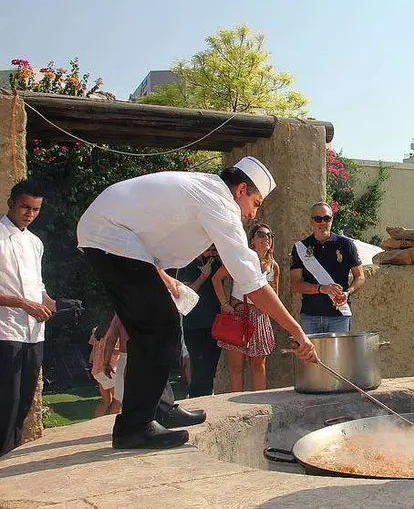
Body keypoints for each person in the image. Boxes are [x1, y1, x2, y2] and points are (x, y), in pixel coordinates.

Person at [77, 157, 316, 451]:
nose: (253, 214)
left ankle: (159, 408)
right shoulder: (220, 203)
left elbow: (149, 255)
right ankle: (134, 427)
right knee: (159, 325)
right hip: (109, 234)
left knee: (164, 321)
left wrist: (151, 291)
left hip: (114, 235)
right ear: (240, 190)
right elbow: (253, 283)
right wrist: (298, 332)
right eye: (255, 202)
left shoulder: (204, 191)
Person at [0, 179, 59, 457]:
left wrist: (48, 302)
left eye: (35, 209)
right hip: (4, 331)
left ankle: (9, 460)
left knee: (24, 402)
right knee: (6, 402)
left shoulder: (35, 242)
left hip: (34, 333)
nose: (30, 214)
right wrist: (23, 304)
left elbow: (38, 284)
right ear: (11, 203)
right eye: (25, 207)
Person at [213, 224, 278, 392]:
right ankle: (236, 408)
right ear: (252, 239)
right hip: (238, 313)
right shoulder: (240, 259)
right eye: (261, 234)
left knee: (259, 366)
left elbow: (275, 295)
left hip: (260, 316)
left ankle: (259, 405)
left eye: (269, 235)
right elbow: (216, 279)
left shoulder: (273, 266)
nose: (267, 238)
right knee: (236, 367)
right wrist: (225, 304)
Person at [290, 202, 365, 334]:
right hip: (310, 316)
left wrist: (347, 293)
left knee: (339, 355)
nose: (322, 222)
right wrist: (321, 289)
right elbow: (295, 284)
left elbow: (360, 277)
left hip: (339, 316)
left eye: (326, 218)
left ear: (332, 219)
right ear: (312, 221)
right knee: (311, 355)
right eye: (318, 219)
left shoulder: (346, 244)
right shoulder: (301, 247)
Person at [176, 246, 223, 398]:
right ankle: (198, 401)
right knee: (199, 369)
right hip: (195, 326)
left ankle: (206, 401)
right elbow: (185, 295)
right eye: (209, 249)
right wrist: (203, 276)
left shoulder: (217, 263)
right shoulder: (188, 265)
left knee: (210, 369)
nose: (211, 253)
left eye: (214, 250)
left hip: (215, 324)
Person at [89, 322, 121, 418]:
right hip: (109, 369)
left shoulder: (97, 331)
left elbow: (93, 350)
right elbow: (113, 350)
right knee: (118, 400)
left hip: (97, 369)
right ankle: (113, 426)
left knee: (106, 401)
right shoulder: (114, 332)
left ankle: (96, 423)